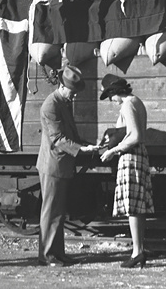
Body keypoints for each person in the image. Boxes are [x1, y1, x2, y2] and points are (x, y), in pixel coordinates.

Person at [37, 65, 99, 267]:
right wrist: (82, 150)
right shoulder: (51, 105)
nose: (74, 96)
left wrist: (87, 145)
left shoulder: (62, 102)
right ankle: (46, 256)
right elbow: (58, 139)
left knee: (58, 213)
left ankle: (58, 254)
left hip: (60, 165)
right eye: (72, 92)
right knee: (50, 212)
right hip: (53, 165)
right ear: (62, 86)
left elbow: (69, 134)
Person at [99, 74, 154, 268]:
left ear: (115, 92)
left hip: (131, 156)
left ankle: (137, 252)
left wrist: (112, 151)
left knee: (132, 206)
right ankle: (138, 250)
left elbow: (135, 136)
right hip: (139, 155)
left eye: (110, 96)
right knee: (137, 207)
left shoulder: (127, 104)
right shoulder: (136, 101)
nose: (112, 101)